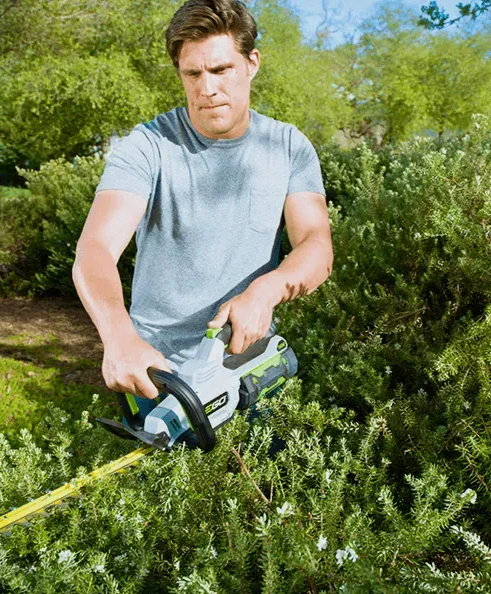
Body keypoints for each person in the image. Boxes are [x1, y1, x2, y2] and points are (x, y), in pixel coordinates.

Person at [72, 0, 333, 422]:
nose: (206, 88)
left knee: (268, 485)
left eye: (220, 70)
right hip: (159, 373)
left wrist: (268, 289)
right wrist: (118, 337)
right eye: (192, 74)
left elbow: (316, 246)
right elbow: (96, 249)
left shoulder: (288, 146)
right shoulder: (148, 145)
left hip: (248, 365)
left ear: (252, 63)